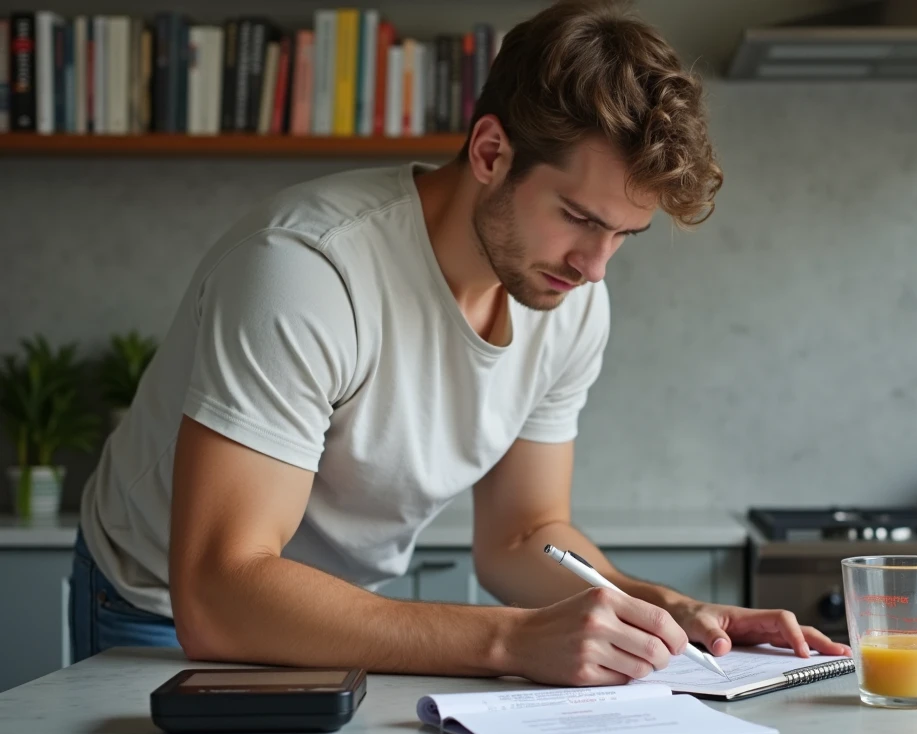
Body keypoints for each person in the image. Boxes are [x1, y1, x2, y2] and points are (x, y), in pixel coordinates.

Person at [70, 0, 850, 685]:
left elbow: (521, 536)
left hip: (333, 612)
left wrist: (665, 608)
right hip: (162, 613)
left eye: (624, 235)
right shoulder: (305, 271)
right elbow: (222, 592)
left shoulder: (572, 299)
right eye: (578, 217)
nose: (594, 265)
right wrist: (512, 639)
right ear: (489, 152)